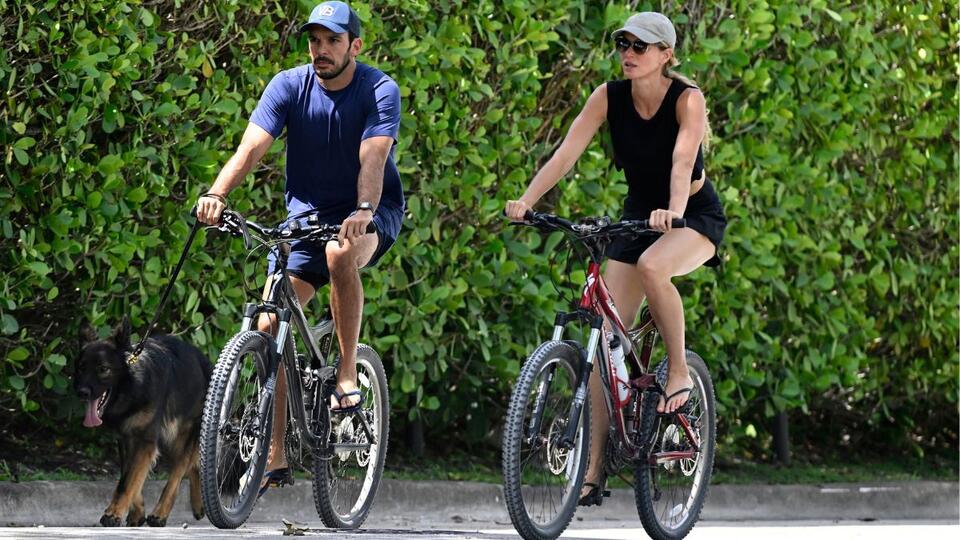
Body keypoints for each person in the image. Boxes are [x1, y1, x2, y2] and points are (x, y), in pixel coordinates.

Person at [504, 12, 726, 506]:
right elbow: (566, 154)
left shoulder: (686, 99)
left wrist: (673, 211)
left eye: (640, 46)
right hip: (638, 216)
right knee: (604, 345)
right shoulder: (607, 96)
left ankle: (678, 371)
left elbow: (682, 160)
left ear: (666, 54)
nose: (628, 53)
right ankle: (593, 468)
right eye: (623, 44)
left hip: (690, 215)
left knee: (654, 267)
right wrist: (527, 201)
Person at [195, 1, 403, 495]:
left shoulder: (378, 89)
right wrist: (217, 194)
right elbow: (250, 148)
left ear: (354, 45)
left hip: (368, 213)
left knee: (339, 254)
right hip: (305, 221)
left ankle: (347, 373)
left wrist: (364, 208)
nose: (321, 49)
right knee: (269, 326)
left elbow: (373, 157)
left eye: (333, 40)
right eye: (314, 40)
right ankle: (275, 455)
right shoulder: (288, 85)